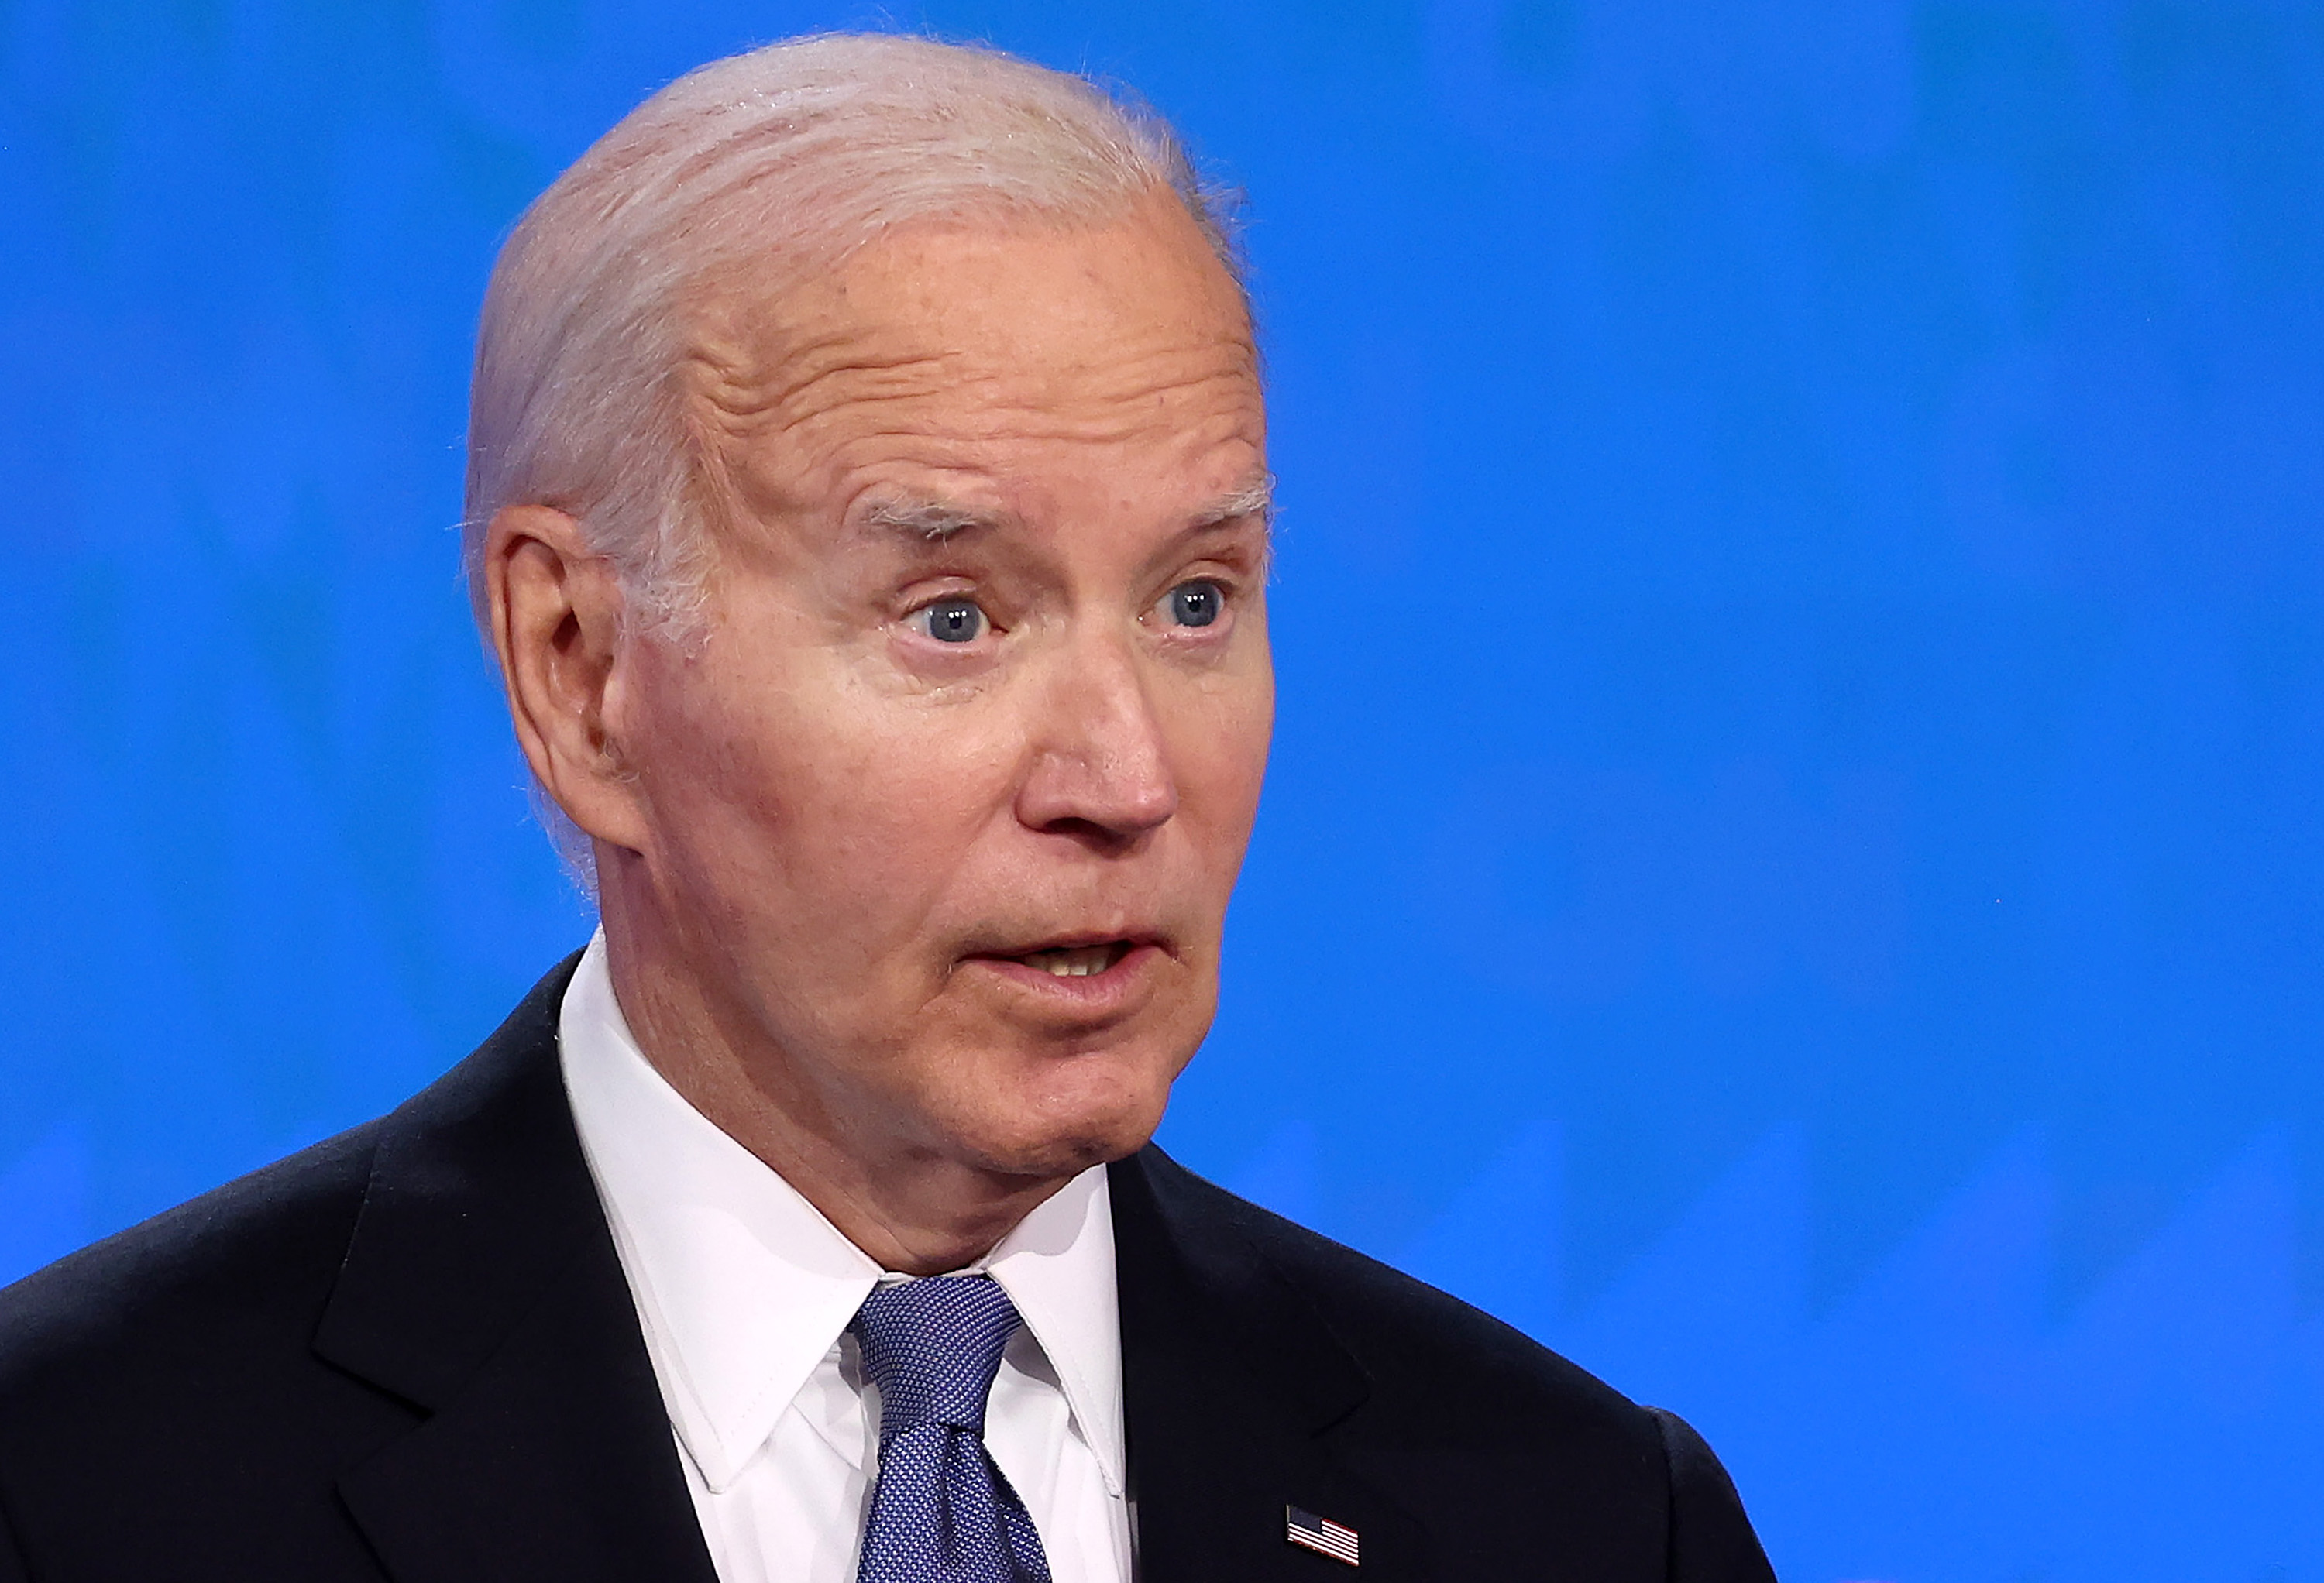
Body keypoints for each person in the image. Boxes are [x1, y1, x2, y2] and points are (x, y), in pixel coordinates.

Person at [0, 33, 1776, 1583]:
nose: (1126, 778)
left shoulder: (1588, 1521)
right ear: (579, 669)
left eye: (1195, 600)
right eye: (955, 617)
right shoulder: (74, 1486)